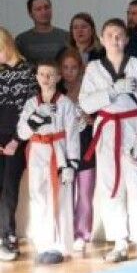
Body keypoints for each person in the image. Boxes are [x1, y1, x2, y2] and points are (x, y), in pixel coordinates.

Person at [79, 18, 137, 262]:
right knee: (110, 186)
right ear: (101, 40)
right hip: (107, 131)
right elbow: (86, 103)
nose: (115, 39)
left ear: (126, 39)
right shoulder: (94, 68)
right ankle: (119, 242)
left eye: (119, 35)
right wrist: (112, 90)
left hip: (134, 128)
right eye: (110, 35)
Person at [16, 60, 80, 264]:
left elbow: (72, 134)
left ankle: (59, 246)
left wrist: (71, 163)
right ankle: (43, 244)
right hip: (37, 152)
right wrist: (36, 117)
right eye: (42, 74)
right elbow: (22, 133)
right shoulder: (31, 104)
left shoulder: (65, 103)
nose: (46, 78)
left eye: (50, 74)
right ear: (36, 77)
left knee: (59, 198)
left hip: (58, 153)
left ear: (58, 78)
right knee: (38, 198)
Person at [0, 28, 37, 261]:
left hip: (18, 138)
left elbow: (31, 111)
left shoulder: (29, 71)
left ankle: (8, 236)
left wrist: (16, 140)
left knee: (9, 188)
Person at [58, 48, 95, 253]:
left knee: (85, 193)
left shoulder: (89, 90)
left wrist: (92, 119)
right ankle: (65, 231)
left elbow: (100, 115)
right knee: (65, 193)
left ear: (81, 68)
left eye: (73, 67)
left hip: (87, 146)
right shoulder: (56, 92)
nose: (69, 71)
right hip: (64, 149)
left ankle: (82, 233)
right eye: (65, 67)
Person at [15, 0, 69, 64]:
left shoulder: (66, 37)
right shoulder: (22, 40)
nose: (44, 12)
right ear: (30, 13)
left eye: (47, 7)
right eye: (38, 9)